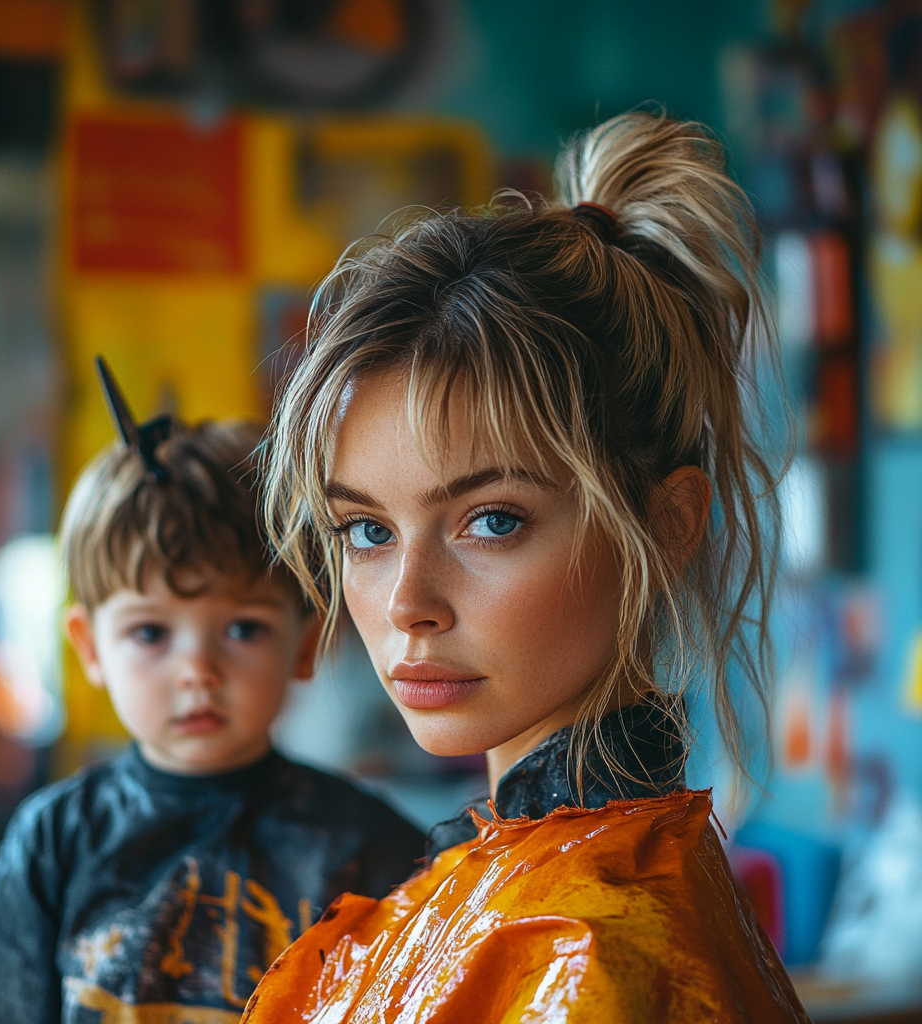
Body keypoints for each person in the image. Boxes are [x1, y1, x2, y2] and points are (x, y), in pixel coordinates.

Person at [242, 112, 808, 1022]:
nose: (407, 605)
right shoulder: (529, 885)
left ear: (667, 525)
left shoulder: (589, 951)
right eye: (367, 531)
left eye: (490, 521)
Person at [0, 390, 425, 1024]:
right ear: (89, 648)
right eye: (151, 634)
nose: (198, 673)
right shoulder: (54, 843)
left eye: (243, 630)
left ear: (305, 643)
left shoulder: (369, 850)